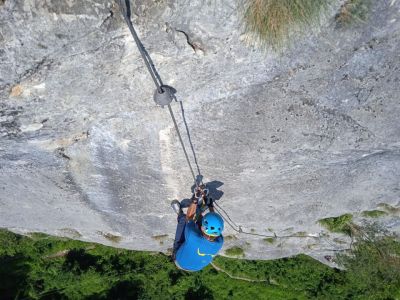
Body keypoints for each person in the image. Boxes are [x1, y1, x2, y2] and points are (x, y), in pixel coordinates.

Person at [171, 185, 224, 272]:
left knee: (184, 221)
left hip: (180, 261)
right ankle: (199, 210)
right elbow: (214, 224)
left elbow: (190, 217)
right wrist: (210, 205)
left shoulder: (193, 236)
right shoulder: (219, 241)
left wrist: (195, 199)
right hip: (197, 267)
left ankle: (180, 213)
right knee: (199, 223)